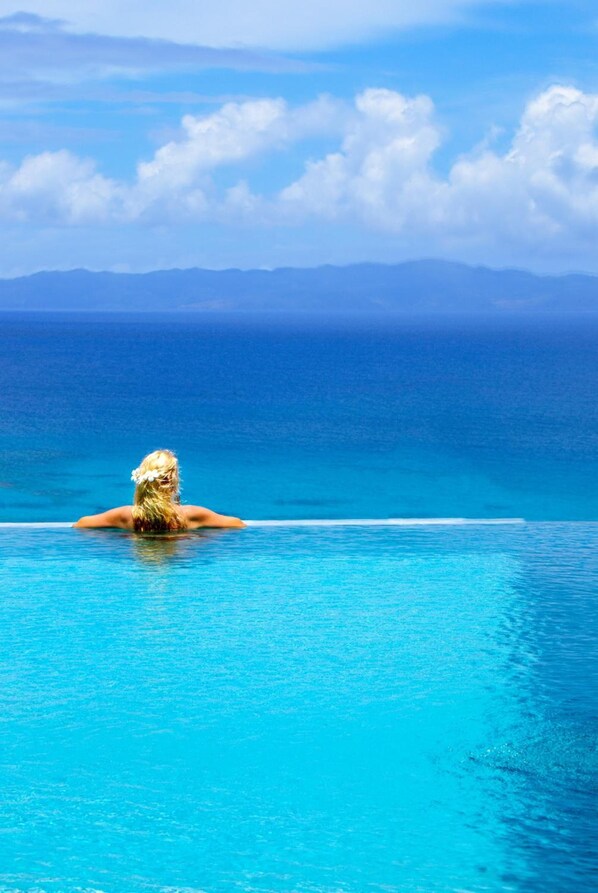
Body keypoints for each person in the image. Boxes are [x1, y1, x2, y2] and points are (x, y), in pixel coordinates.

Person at [73, 449, 245, 531]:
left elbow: (80, 524)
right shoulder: (190, 514)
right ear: (172, 481)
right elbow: (238, 524)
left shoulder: (125, 516)